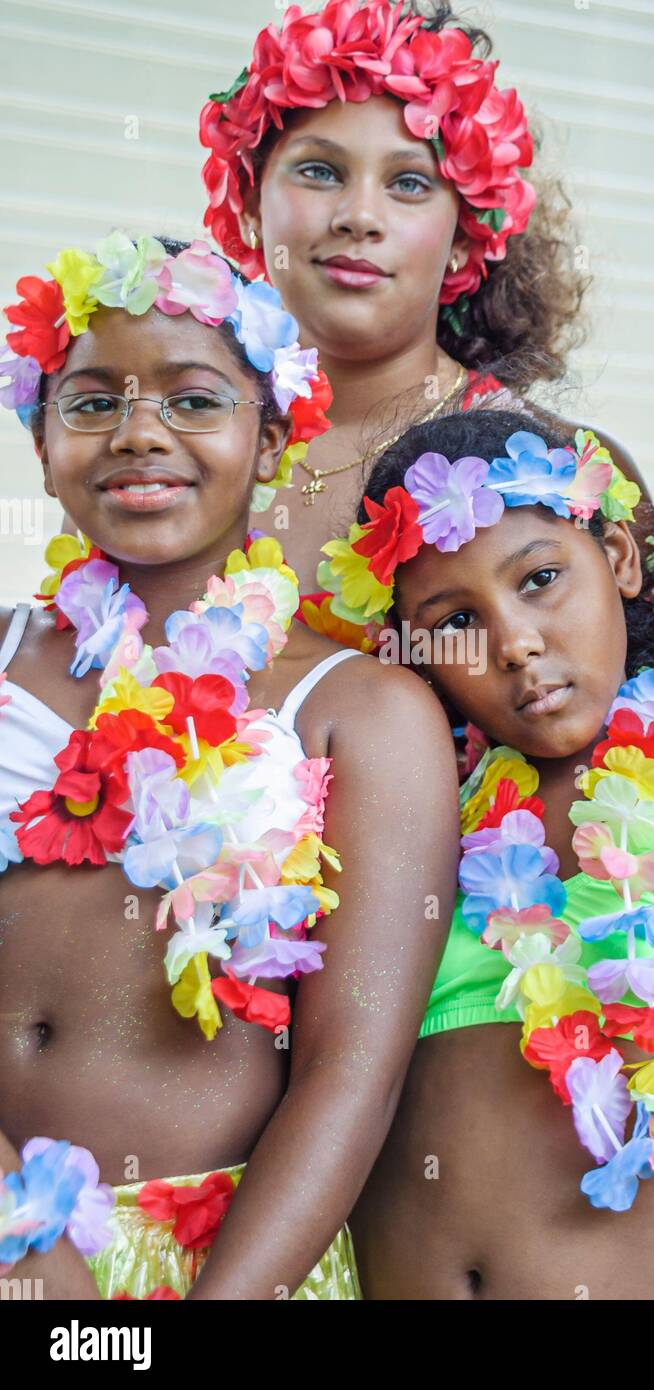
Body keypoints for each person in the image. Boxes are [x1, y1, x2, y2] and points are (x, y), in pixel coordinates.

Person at [0, 234, 458, 1299]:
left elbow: (352, 1072)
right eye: (92, 403)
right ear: (41, 439)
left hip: (224, 1263)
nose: (140, 432)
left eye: (194, 400)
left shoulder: (363, 711)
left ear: (270, 439)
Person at [322, 407, 654, 1299]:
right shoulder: (416, 832)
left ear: (617, 558)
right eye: (455, 620)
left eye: (539, 578)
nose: (514, 641)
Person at [198, 0, 653, 612]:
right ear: (251, 204)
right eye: (319, 171)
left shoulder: (564, 467)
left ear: (466, 237)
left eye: (409, 183)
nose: (358, 216)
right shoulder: (175, 449)